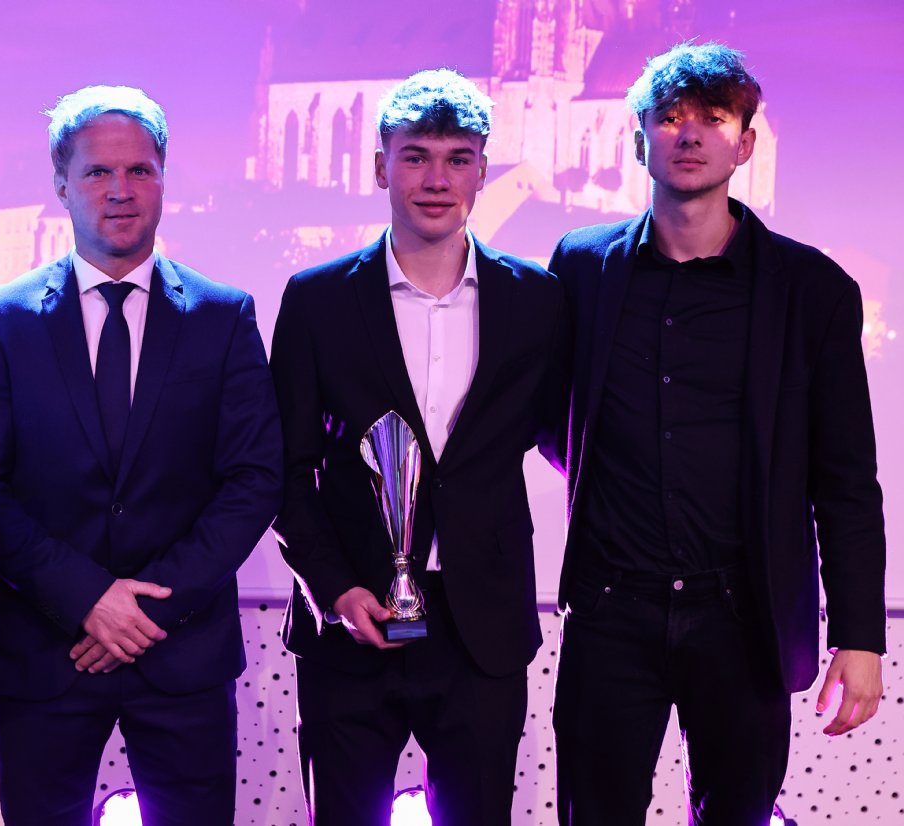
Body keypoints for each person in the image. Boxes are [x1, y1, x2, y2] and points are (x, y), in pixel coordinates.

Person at [548, 42, 887, 824]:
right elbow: (550, 418)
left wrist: (860, 636)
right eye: (670, 117)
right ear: (639, 141)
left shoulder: (812, 290)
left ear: (745, 143)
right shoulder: (582, 268)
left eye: (713, 117)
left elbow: (844, 479)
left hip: (745, 617)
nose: (691, 133)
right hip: (610, 610)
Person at [0, 85, 282, 826]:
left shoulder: (223, 315)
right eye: (99, 172)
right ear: (62, 184)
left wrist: (141, 611)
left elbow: (254, 480)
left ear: (163, 178)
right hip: (47, 651)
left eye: (140, 170)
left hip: (182, 653)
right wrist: (87, 600)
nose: (121, 189)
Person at [269, 68, 568, 826]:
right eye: (416, 157)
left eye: (457, 158)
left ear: (482, 171)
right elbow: (284, 468)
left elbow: (566, 439)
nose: (437, 179)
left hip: (482, 627)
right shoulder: (316, 299)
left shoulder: (538, 301)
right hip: (351, 623)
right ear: (381, 166)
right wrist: (334, 590)